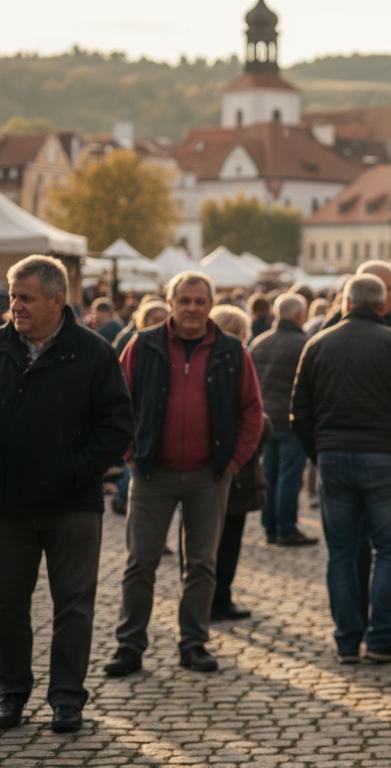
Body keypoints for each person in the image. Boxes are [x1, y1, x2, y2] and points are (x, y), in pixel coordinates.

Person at [105, 271, 264, 677]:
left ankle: (193, 643)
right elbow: (116, 403)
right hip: (151, 473)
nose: (192, 308)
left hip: (209, 474)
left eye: (199, 301)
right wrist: (131, 453)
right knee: (140, 563)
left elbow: (251, 410)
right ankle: (129, 646)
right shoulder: (143, 345)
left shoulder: (232, 350)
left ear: (210, 305)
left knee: (202, 565)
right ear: (171, 302)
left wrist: (234, 459)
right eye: (185, 300)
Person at [0, 256, 134, 734]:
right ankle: (10, 691)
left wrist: (77, 470)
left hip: (72, 503)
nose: (16, 306)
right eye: (13, 296)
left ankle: (66, 697)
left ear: (57, 301)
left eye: (26, 298)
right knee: (6, 603)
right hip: (9, 504)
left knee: (73, 605)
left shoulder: (93, 353)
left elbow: (117, 423)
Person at [291, 275, 391, 663]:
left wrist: (320, 452)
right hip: (386, 459)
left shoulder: (318, 343)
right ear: (384, 306)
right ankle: (381, 636)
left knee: (341, 553)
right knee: (388, 550)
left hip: (336, 458)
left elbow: (298, 412)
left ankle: (347, 641)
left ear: (346, 302)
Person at [206, 305, 268, 621]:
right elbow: (255, 418)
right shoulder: (239, 362)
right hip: (235, 466)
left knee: (200, 538)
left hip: (215, 464)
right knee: (228, 538)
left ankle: (203, 599)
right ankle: (219, 599)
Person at [251, 292, 317, 546]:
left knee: (270, 474)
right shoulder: (305, 344)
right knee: (289, 477)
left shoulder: (260, 342)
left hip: (266, 418)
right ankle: (286, 528)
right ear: (299, 315)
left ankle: (270, 527)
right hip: (291, 419)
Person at [110, 300, 171, 516]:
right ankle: (121, 499)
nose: (162, 324)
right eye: (157, 320)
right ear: (144, 321)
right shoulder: (133, 342)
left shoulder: (173, 346)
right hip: (137, 426)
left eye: (165, 319)